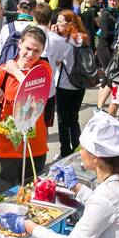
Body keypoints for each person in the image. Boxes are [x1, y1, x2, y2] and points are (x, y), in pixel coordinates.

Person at [0, 26, 52, 193]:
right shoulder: (2, 72)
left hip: (34, 146)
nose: (30, 54)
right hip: (6, 147)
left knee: (31, 197)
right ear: (19, 44)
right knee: (4, 197)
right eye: (28, 48)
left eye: (36, 51)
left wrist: (15, 71)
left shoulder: (43, 69)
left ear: (43, 51)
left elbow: (35, 92)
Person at [53, 10, 90, 158]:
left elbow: (56, 60)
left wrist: (54, 35)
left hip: (64, 84)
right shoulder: (84, 38)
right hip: (80, 83)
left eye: (61, 21)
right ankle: (77, 148)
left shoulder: (64, 41)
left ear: (69, 24)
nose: (58, 23)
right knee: (74, 117)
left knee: (63, 120)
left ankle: (65, 151)